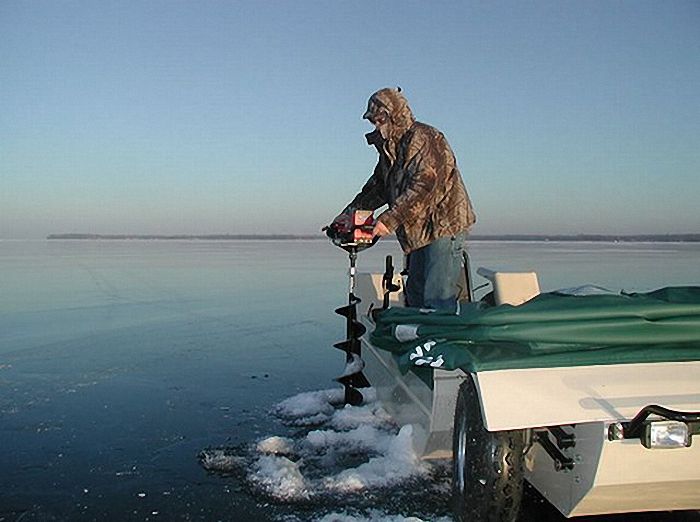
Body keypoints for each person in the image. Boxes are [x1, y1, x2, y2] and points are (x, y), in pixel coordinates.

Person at [333, 87, 476, 311]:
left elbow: (424, 186)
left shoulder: (424, 138)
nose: (377, 126)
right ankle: (418, 340)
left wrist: (387, 221)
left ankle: (438, 343)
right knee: (416, 293)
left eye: (381, 119)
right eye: (374, 121)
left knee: (436, 297)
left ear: (395, 115)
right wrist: (347, 215)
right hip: (417, 232)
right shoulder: (391, 150)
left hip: (443, 226)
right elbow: (378, 188)